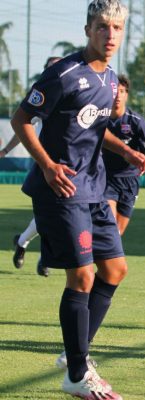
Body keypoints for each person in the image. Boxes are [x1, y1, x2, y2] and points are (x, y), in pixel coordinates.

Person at [10, 1, 143, 398]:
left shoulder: (112, 78)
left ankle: (75, 356)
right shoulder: (62, 74)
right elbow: (21, 119)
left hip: (94, 187)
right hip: (60, 189)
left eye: (117, 28)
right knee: (82, 276)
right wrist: (49, 166)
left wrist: (125, 151)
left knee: (115, 270)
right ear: (88, 30)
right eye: (103, 27)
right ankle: (76, 374)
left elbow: (95, 127)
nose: (110, 35)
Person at [2, 57, 62, 277]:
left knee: (59, 216)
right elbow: (22, 126)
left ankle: (22, 242)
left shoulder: (75, 97)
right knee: (52, 215)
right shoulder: (45, 99)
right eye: (52, 67)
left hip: (75, 167)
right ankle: (43, 257)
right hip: (47, 165)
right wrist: (5, 151)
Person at [103, 74, 145, 235]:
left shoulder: (135, 121)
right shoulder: (100, 118)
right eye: (115, 91)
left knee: (118, 232)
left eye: (122, 91)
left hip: (130, 181)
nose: (118, 95)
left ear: (127, 95)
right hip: (106, 178)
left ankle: (108, 257)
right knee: (108, 227)